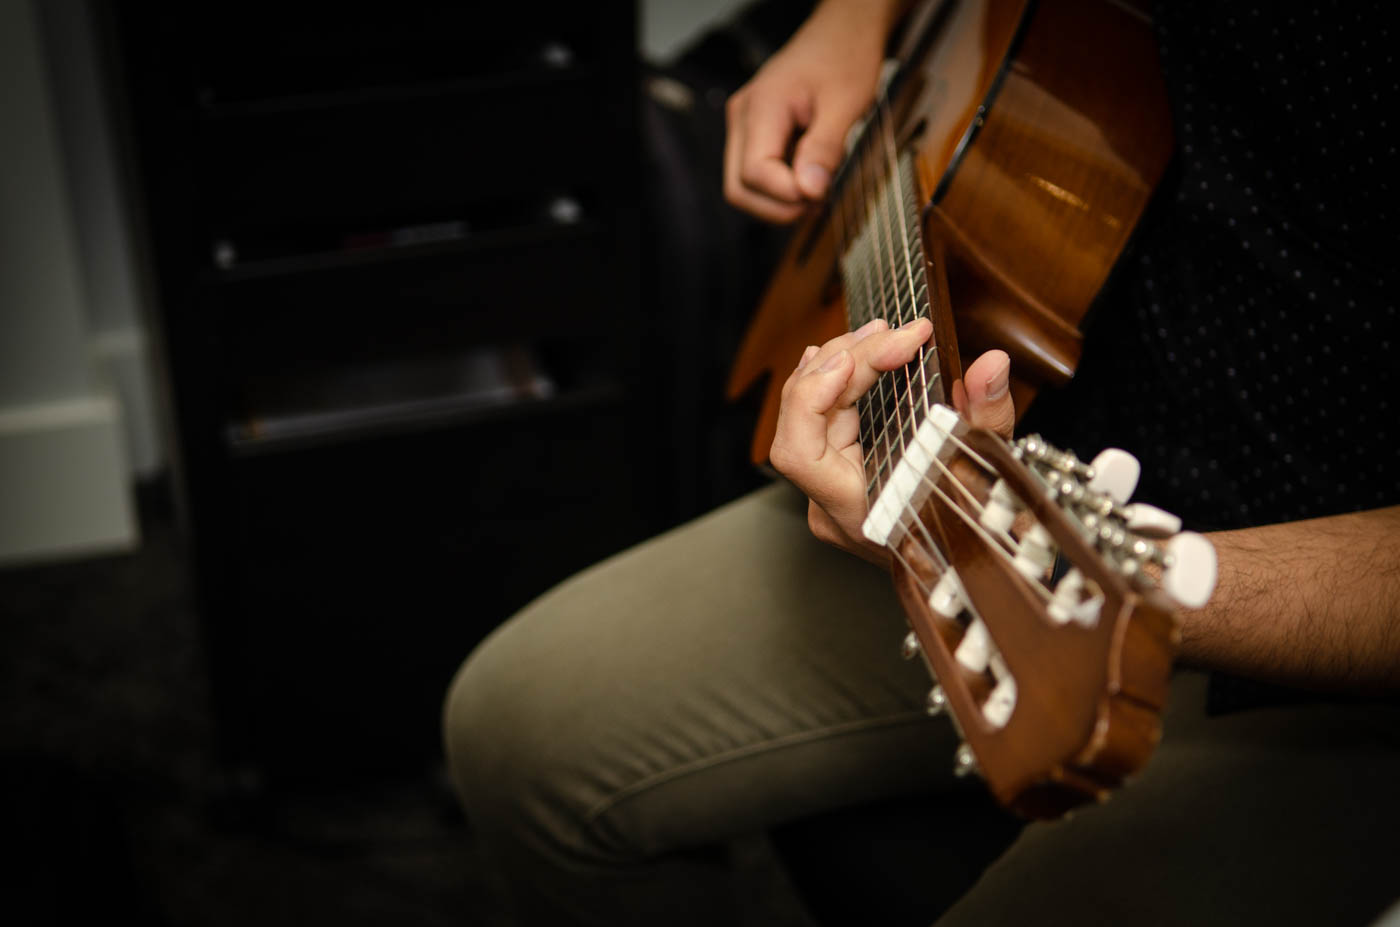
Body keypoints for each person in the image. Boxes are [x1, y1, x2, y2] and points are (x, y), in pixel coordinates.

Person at [445, 1, 1400, 924]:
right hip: (1059, 419)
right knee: (515, 730)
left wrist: (1117, 575)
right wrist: (852, 21)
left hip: (1305, 621)